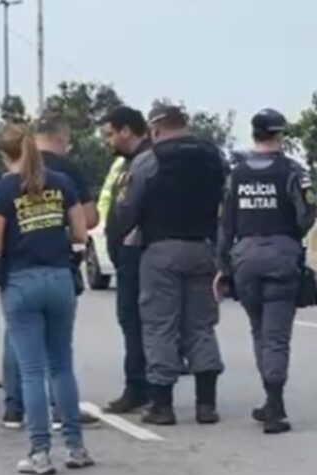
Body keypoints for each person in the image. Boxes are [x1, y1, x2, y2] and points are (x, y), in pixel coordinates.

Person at [0, 123, 93, 475]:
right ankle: (75, 447)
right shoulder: (62, 184)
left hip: (21, 280)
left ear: (4, 154)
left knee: (32, 371)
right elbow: (80, 231)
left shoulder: (3, 190)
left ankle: (40, 452)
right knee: (61, 365)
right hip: (60, 277)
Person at [116, 104, 226, 426]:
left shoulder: (149, 160)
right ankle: (206, 405)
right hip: (203, 247)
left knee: (160, 326)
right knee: (201, 326)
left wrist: (127, 231)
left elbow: (129, 206)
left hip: (161, 250)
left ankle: (162, 405)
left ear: (156, 129)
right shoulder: (213, 156)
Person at [0, 115, 103, 430]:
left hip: (18, 271)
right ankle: (63, 416)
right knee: (59, 357)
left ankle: (15, 409)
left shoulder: (8, 179)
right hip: (57, 267)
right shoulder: (65, 173)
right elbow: (86, 222)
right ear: (61, 138)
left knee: (17, 340)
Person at [216, 108, 316, 434]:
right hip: (282, 257)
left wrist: (223, 265)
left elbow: (226, 223)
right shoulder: (293, 171)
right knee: (276, 336)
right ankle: (275, 405)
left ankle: (271, 399)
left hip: (245, 257)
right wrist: (288, 239)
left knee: (259, 331)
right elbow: (308, 213)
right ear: (279, 135)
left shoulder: (237, 173)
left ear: (255, 133)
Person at [98, 106, 153, 414]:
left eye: (110, 134)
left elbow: (135, 208)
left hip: (138, 252)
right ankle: (143, 386)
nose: (108, 141)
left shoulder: (143, 162)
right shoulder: (130, 162)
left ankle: (139, 387)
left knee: (135, 321)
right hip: (130, 254)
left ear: (126, 131)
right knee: (135, 322)